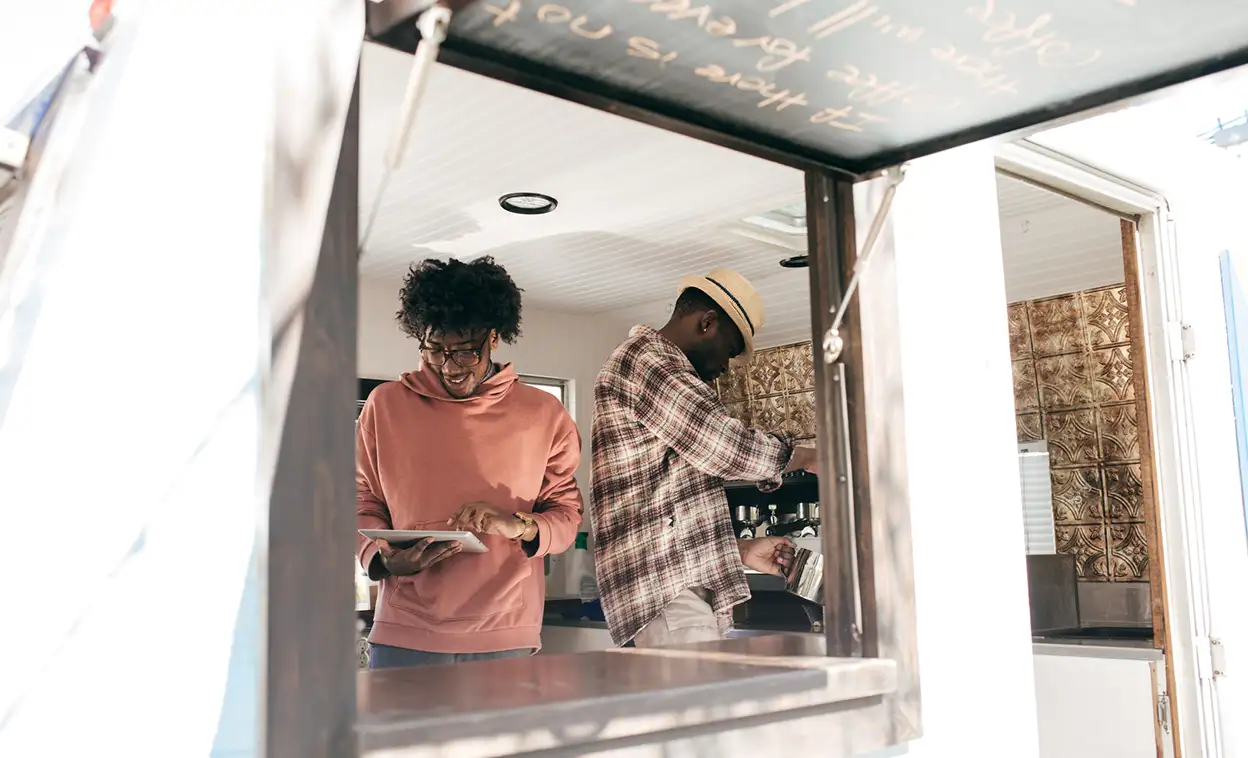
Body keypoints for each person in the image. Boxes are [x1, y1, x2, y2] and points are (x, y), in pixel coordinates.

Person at [356, 256, 583, 669]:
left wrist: (520, 525)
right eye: (435, 351)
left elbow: (567, 516)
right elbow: (360, 502)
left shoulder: (543, 413)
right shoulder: (384, 406)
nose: (448, 367)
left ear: (494, 338)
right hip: (405, 632)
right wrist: (383, 558)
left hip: (506, 632)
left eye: (464, 352)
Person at [591, 267, 819, 648]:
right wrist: (807, 456)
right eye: (729, 350)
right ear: (707, 323)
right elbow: (724, 447)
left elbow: (669, 510)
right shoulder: (647, 362)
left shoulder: (651, 367)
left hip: (674, 593)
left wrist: (740, 551)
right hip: (670, 597)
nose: (725, 367)